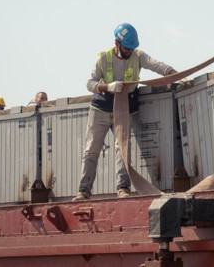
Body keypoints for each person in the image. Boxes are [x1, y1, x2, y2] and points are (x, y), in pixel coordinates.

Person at [72, 23, 177, 202]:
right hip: (101, 109)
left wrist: (174, 75)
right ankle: (83, 191)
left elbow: (156, 65)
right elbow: (90, 84)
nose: (129, 52)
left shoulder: (137, 56)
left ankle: (123, 188)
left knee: (123, 150)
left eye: (131, 48)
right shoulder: (104, 59)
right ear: (117, 43)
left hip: (123, 108)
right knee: (91, 150)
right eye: (127, 48)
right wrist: (107, 87)